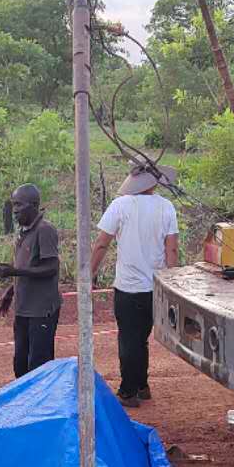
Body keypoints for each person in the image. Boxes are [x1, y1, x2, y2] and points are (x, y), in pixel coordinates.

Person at [91, 163, 180, 407]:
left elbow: (101, 243)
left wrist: (89, 273)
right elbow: (171, 249)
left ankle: (129, 390)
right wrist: (172, 284)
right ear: (154, 184)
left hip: (128, 287)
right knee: (140, 337)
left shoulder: (120, 205)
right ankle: (141, 385)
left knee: (129, 339)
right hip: (156, 287)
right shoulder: (166, 207)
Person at [0, 183, 62, 379]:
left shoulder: (45, 230)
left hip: (41, 310)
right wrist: (11, 290)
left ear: (33, 205)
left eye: (19, 205)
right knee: (21, 363)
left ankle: (41, 408)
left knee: (39, 365)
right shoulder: (24, 231)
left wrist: (14, 271)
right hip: (24, 307)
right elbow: (28, 265)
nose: (14, 210)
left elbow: (51, 268)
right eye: (13, 205)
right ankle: (26, 405)